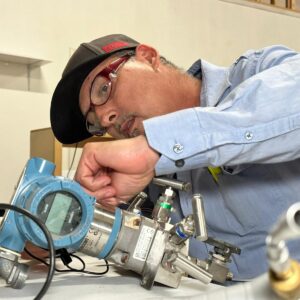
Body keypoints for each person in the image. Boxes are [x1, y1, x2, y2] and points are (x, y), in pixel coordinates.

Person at [50, 34, 300, 283]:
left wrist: (157, 146)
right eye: (95, 123)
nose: (105, 120)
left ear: (148, 57)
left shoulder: (256, 72)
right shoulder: (150, 184)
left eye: (104, 89)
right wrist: (61, 229)